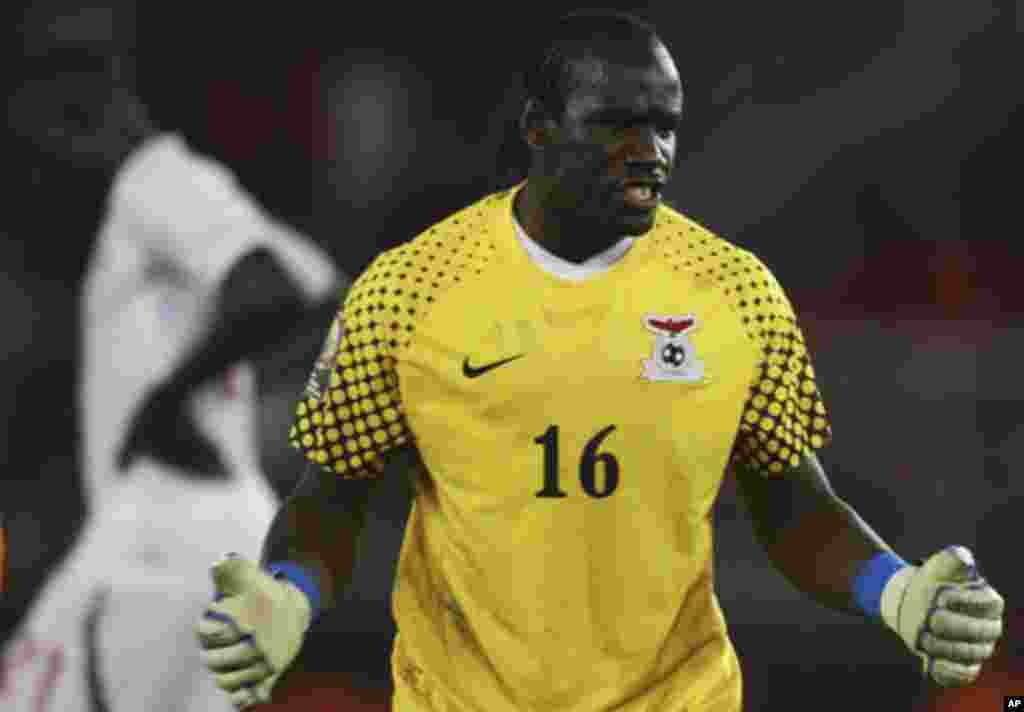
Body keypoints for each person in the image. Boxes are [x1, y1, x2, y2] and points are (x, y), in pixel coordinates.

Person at [196, 11, 1005, 711]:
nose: (649, 150)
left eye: (666, 125)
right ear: (539, 127)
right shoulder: (410, 290)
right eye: (617, 123)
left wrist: (900, 594)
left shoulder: (739, 292)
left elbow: (793, 505)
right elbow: (330, 494)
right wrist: (289, 601)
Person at [0, 4, 344, 711]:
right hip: (223, 547)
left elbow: (272, 292)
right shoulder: (179, 193)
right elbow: (330, 294)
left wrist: (170, 399)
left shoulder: (155, 181)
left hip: (160, 543)